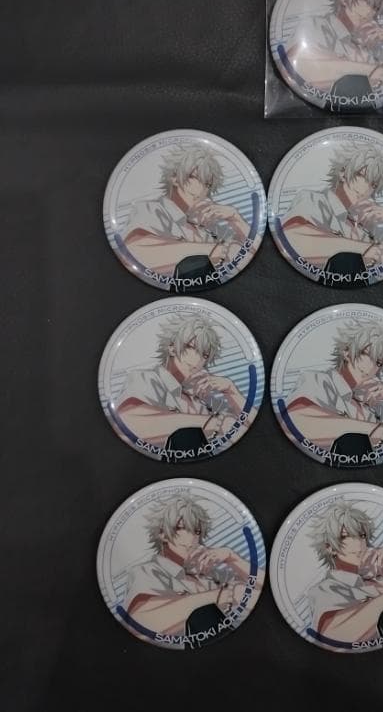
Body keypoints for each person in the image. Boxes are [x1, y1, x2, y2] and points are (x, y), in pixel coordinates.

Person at [123, 492, 264, 646]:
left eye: (196, 531)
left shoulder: (207, 574)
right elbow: (139, 622)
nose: (192, 539)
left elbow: (264, 587)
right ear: (162, 534)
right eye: (182, 528)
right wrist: (219, 596)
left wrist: (232, 558)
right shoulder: (148, 572)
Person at [116, 312, 250, 458]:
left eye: (205, 355)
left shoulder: (200, 398)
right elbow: (126, 420)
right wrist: (213, 423)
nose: (198, 360)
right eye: (193, 348)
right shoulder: (146, 378)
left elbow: (249, 428)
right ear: (172, 348)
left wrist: (232, 392)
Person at [280, 141, 383, 284]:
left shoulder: (365, 227)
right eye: (363, 177)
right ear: (343, 173)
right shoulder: (314, 200)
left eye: (373, 184)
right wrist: (364, 249)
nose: (367, 189)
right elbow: (289, 238)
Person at [123, 143, 250, 285]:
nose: (202, 190)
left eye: (207, 184)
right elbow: (133, 252)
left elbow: (250, 254)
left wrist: (236, 219)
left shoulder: (207, 227)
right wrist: (213, 250)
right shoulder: (152, 209)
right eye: (197, 179)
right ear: (175, 178)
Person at [285, 319, 383, 459]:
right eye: (368, 355)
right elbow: (294, 420)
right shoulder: (318, 380)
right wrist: (375, 431)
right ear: (346, 352)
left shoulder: (371, 404)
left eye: (378, 363)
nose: (372, 368)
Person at [306, 501, 383, 642]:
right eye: (345, 536)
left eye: (362, 535)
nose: (358, 544)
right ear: (329, 547)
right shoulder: (325, 589)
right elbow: (331, 635)